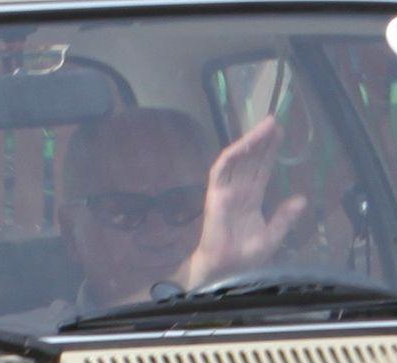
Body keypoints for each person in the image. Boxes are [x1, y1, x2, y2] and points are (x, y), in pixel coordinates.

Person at [55, 105, 305, 313]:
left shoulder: (283, 326)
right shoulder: (30, 344)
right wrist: (196, 274)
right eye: (124, 211)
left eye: (182, 206)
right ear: (71, 234)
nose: (159, 236)